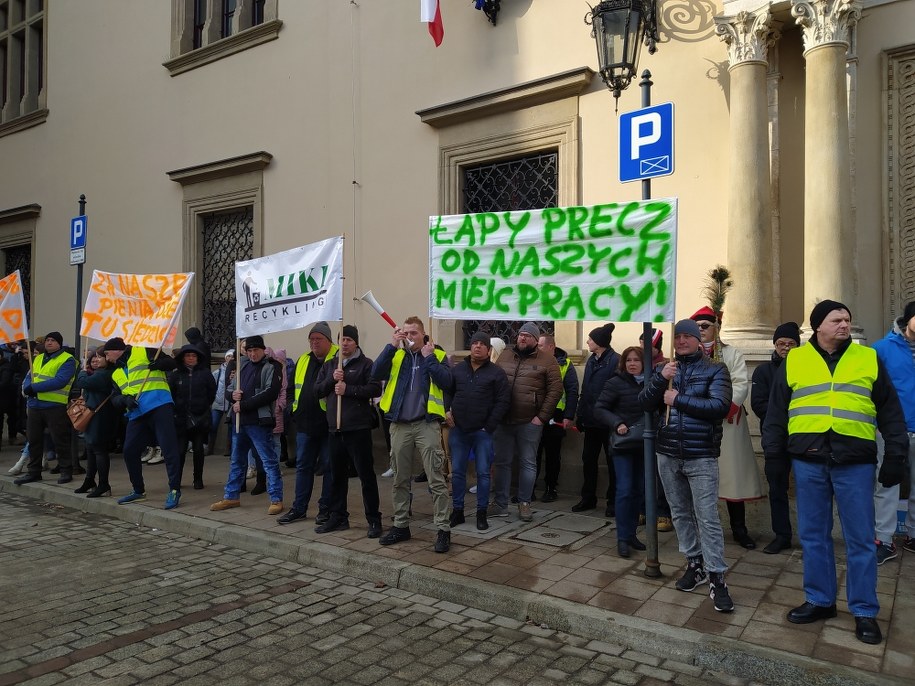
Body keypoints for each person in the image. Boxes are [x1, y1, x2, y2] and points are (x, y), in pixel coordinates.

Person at [762, 300, 908, 645]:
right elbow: (776, 412)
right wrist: (775, 458)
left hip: (854, 462)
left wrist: (896, 456)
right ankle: (820, 600)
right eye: (836, 319)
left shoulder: (867, 357)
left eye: (847, 319)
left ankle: (864, 611)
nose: (844, 325)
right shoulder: (795, 359)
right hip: (808, 461)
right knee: (814, 536)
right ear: (818, 326)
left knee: (860, 540)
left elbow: (890, 411)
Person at [640, 319, 734, 613]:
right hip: (667, 453)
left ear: (698, 340)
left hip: (700, 454)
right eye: (677, 336)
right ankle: (694, 564)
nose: (681, 341)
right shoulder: (664, 370)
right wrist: (659, 379)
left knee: (707, 517)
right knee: (680, 513)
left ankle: (717, 577)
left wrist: (677, 399)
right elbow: (643, 403)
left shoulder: (716, 369)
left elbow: (719, 407)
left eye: (687, 336)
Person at [372, 316, 452, 553]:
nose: (409, 336)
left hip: (426, 424)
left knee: (436, 479)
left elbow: (448, 382)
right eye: (406, 332)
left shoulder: (436, 355)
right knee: (399, 479)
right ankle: (400, 525)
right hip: (400, 425)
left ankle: (443, 529)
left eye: (414, 333)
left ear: (424, 335)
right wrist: (390, 346)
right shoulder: (396, 354)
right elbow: (375, 373)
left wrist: (429, 358)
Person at [691, 306, 762, 549]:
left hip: (728, 423)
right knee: (701, 479)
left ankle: (739, 529)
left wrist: (727, 407)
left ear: (716, 328)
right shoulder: (690, 354)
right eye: (697, 326)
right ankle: (703, 529)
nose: (700, 330)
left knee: (733, 477)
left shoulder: (732, 353)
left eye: (705, 326)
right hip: (699, 423)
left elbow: (741, 382)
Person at [430, 331, 510, 532]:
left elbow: (503, 401)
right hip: (459, 430)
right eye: (474, 343)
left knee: (483, 474)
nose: (478, 347)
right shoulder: (458, 370)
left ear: (489, 350)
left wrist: (489, 426)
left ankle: (481, 513)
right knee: (457, 473)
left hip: (482, 432)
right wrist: (447, 409)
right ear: (470, 347)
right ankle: (457, 510)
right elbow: (448, 390)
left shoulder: (496, 373)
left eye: (482, 344)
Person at [313, 325, 383, 537]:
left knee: (365, 475)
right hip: (335, 429)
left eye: (349, 340)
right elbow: (317, 391)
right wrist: (332, 379)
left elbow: (374, 389)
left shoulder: (366, 364)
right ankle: (338, 517)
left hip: (358, 428)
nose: (344, 344)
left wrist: (349, 390)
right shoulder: (330, 366)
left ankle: (373, 519)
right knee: (336, 476)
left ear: (356, 343)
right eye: (342, 340)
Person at [491, 322, 562, 522]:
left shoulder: (548, 361)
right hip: (503, 420)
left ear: (534, 340)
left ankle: (524, 503)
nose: (522, 338)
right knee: (502, 462)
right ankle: (500, 504)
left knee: (528, 463)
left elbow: (556, 390)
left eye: (527, 336)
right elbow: (494, 380)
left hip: (529, 422)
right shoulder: (505, 356)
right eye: (521, 335)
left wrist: (541, 417)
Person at [102, 337, 182, 508]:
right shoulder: (116, 372)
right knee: (129, 450)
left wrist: (159, 365)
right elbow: (114, 397)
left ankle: (174, 489)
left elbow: (171, 362)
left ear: (117, 350)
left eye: (107, 354)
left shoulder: (144, 349)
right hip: (137, 413)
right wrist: (124, 400)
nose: (107, 358)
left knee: (169, 449)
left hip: (159, 404)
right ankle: (138, 491)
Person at [211, 335, 284, 515]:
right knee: (237, 460)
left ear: (263, 349)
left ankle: (276, 498)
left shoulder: (272, 366)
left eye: (255, 350)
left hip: (259, 421)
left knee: (268, 460)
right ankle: (231, 495)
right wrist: (232, 396)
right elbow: (229, 389)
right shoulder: (242, 365)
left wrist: (243, 404)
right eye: (249, 350)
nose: (252, 354)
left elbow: (271, 392)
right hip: (239, 420)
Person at [750, 321, 801, 554]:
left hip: (804, 438)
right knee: (777, 489)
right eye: (781, 343)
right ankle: (782, 535)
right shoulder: (763, 371)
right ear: (775, 345)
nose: (786, 348)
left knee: (810, 489)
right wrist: (784, 412)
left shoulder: (806, 370)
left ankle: (813, 536)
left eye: (791, 344)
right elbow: (758, 405)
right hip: (774, 438)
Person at [282, 322, 338, 525]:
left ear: (329, 340)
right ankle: (299, 508)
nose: (314, 343)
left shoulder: (338, 358)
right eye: (311, 339)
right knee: (303, 467)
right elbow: (291, 388)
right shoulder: (303, 360)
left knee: (329, 467)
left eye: (318, 339)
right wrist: (291, 408)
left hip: (328, 424)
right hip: (304, 424)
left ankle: (326, 509)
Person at [595, 346, 649, 558]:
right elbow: (599, 408)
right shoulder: (615, 383)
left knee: (639, 490)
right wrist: (617, 423)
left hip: (644, 443)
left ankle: (632, 533)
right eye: (629, 360)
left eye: (637, 360)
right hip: (623, 445)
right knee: (625, 489)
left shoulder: (652, 383)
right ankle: (622, 538)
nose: (633, 364)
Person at [872, 301, 915, 560]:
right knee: (886, 485)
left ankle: (912, 535)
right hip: (891, 432)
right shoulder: (881, 349)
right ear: (908, 318)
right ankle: (884, 540)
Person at [15, 332, 77, 486]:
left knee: (60, 440)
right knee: (34, 440)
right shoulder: (39, 358)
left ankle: (66, 471)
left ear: (59, 344)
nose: (49, 342)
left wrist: (33, 388)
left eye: (53, 340)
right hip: (35, 405)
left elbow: (60, 381)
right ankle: (34, 472)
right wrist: (27, 387)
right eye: (48, 340)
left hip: (54, 406)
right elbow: (30, 375)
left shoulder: (68, 360)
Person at [573, 324, 619, 516]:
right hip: (591, 420)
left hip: (608, 422)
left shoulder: (615, 361)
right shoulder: (592, 360)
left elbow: (618, 391)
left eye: (590, 339)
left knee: (612, 463)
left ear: (599, 342)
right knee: (588, 460)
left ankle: (613, 501)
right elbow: (586, 390)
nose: (587, 342)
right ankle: (588, 497)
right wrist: (580, 415)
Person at [536, 334, 579, 503]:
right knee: (533, 454)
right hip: (535, 415)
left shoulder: (566, 364)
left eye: (540, 345)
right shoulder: (534, 362)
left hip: (556, 416)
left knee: (553, 455)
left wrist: (569, 415)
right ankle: (529, 489)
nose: (537, 348)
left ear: (551, 347)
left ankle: (550, 488)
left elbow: (572, 391)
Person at [169, 343, 217, 490]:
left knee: (198, 450)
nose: (190, 358)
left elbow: (211, 393)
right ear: (183, 358)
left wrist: (202, 406)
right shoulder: (176, 375)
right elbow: (171, 393)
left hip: (200, 417)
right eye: (188, 356)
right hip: (181, 418)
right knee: (180, 451)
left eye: (193, 356)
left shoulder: (205, 373)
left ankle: (198, 479)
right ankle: (176, 480)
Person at [73, 347, 118, 497]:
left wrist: (82, 371)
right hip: (92, 414)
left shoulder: (104, 375)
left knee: (99, 450)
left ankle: (103, 484)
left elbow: (82, 382)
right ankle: (89, 480)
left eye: (100, 357)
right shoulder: (98, 374)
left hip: (100, 416)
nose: (95, 360)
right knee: (91, 449)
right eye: (94, 357)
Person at [209, 349, 234, 456]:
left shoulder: (236, 371)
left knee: (231, 427)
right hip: (217, 402)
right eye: (228, 356)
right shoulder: (217, 372)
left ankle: (228, 449)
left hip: (230, 404)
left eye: (232, 356)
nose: (230, 358)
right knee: (213, 425)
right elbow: (211, 386)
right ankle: (210, 447)